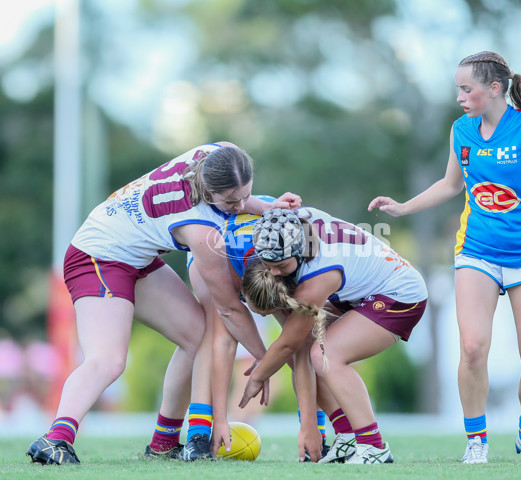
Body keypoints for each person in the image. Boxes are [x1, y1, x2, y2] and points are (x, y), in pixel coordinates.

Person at [26, 142, 299, 465]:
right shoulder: (200, 231)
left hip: (135, 256)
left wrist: (263, 207)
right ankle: (55, 439)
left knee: (199, 337)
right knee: (108, 359)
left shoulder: (221, 153)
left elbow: (235, 196)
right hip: (96, 256)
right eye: (230, 201)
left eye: (245, 195)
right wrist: (263, 360)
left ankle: (163, 442)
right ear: (208, 192)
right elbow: (228, 309)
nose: (240, 205)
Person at [369, 51, 521, 464]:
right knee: (472, 348)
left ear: (495, 89)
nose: (460, 97)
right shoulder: (461, 130)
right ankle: (476, 440)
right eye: (458, 90)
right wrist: (404, 207)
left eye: (467, 89)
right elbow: (451, 185)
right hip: (475, 252)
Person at [238, 207, 428, 464]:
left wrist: (257, 377)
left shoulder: (317, 277)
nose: (273, 273)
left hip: (399, 294)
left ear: (298, 252)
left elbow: (287, 346)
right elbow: (296, 352)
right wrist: (245, 203)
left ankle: (374, 447)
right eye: (267, 265)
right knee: (309, 352)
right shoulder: (293, 224)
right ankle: (347, 433)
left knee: (327, 355)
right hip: (362, 293)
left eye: (280, 266)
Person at [177, 205, 333, 463]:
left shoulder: (297, 267)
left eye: (267, 312)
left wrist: (311, 428)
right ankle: (198, 435)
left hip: (274, 243)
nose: (260, 317)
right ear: (242, 293)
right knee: (211, 332)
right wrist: (222, 420)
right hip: (218, 248)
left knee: (302, 346)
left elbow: (300, 350)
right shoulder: (225, 268)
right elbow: (224, 343)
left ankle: (320, 438)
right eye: (253, 309)